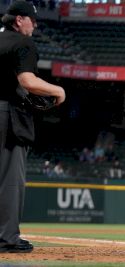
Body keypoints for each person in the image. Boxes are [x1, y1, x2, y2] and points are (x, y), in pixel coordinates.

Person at [0, 0, 65, 253]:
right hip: (6, 114)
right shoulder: (22, 42)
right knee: (9, 179)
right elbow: (27, 81)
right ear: (19, 20)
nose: (35, 25)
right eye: (32, 20)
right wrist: (57, 90)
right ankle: (7, 238)